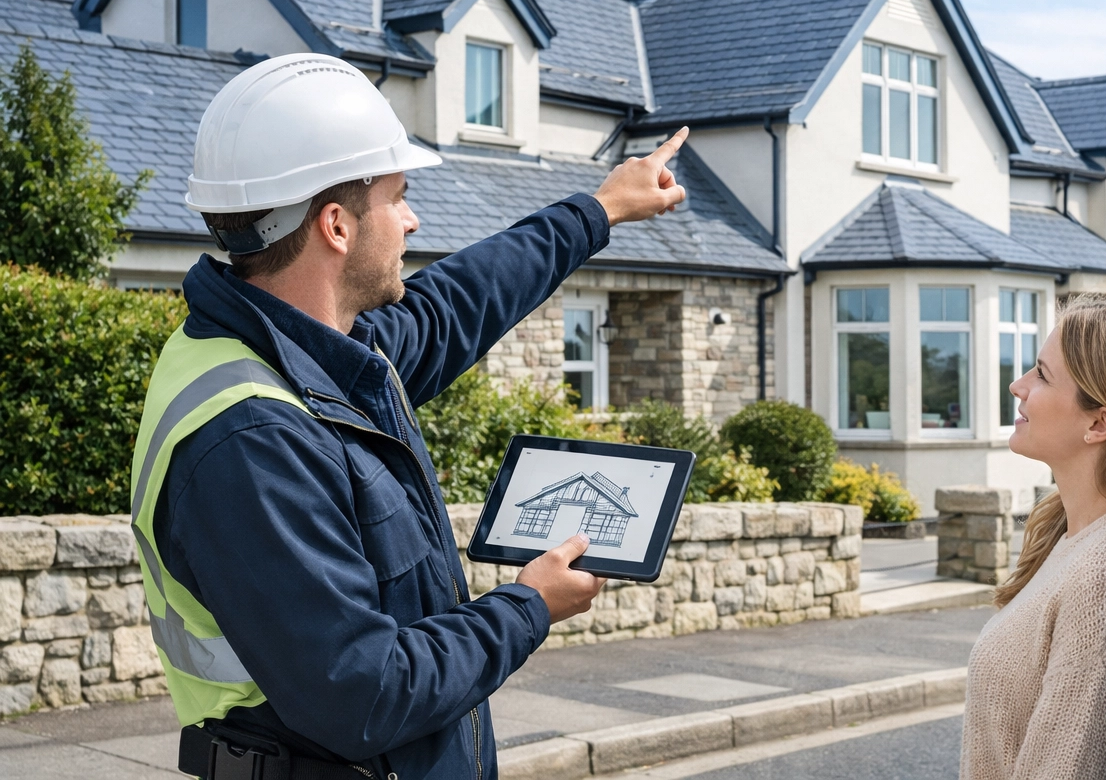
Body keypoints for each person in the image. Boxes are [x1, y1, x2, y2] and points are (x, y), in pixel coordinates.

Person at [131, 53, 689, 780]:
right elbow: (364, 693)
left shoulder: (310, 353)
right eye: (397, 196)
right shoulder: (253, 438)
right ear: (336, 224)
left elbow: (457, 302)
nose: (412, 219)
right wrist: (528, 608)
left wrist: (602, 208)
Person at [961, 298, 1106, 780]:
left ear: (1098, 422)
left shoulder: (1105, 572)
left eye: (1040, 374)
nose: (1018, 386)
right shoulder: (1064, 528)